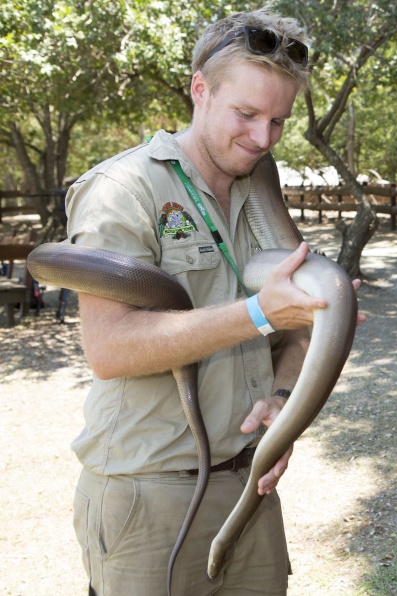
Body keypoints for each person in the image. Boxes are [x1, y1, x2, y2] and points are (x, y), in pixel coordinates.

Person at [66, 8, 363, 595]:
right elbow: (108, 348)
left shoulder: (258, 180)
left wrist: (282, 399)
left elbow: (301, 318)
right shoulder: (123, 190)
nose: (262, 138)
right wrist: (256, 314)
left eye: (278, 121)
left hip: (250, 482)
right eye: (247, 114)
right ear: (200, 89)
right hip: (146, 493)